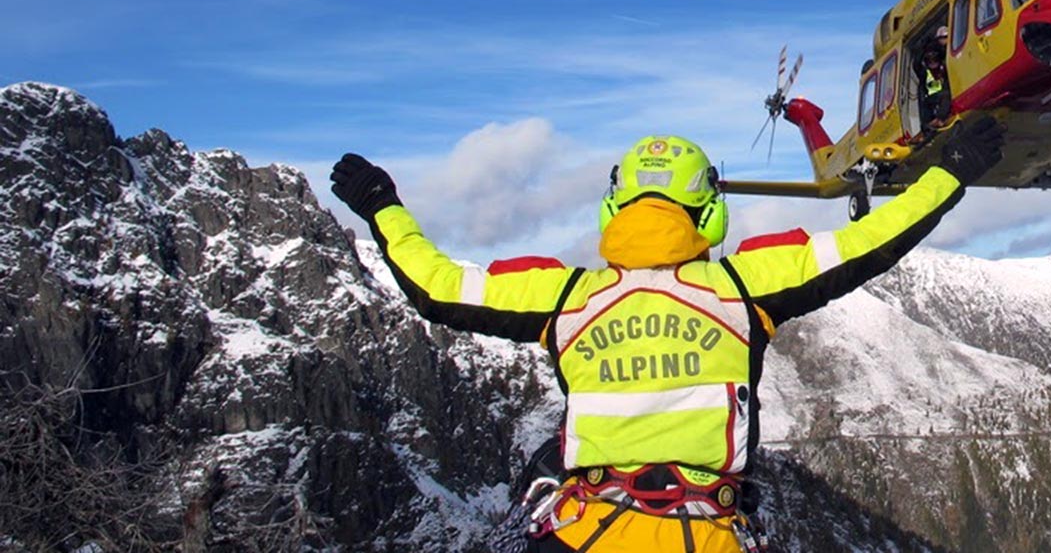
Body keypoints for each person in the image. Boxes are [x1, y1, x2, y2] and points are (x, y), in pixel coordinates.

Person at [328, 118, 1005, 552]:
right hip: (705, 535)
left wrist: (383, 204)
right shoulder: (746, 287)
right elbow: (872, 241)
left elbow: (438, 288)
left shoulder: (565, 297)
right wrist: (952, 170)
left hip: (580, 532)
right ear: (706, 213)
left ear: (613, 208)